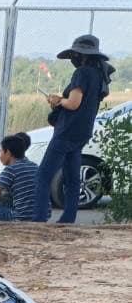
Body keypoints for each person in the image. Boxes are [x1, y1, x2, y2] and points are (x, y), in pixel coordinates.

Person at [38, 33, 112, 224]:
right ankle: (68, 218)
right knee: (72, 177)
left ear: (81, 55)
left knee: (43, 176)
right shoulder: (99, 75)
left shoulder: (82, 73)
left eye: (74, 55)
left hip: (67, 130)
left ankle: (38, 219)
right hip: (82, 132)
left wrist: (58, 100)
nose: (73, 58)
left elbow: (73, 103)